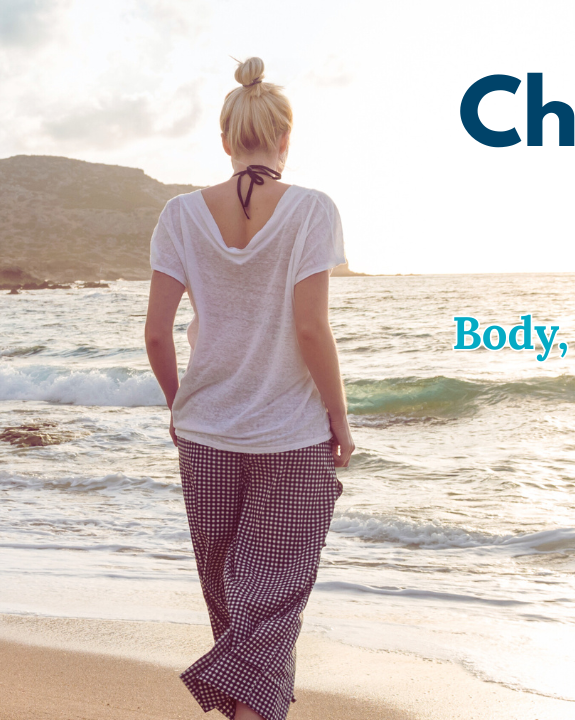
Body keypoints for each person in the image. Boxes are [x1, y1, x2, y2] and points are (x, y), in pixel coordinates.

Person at [144, 56, 355, 720]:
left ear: (227, 139)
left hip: (205, 431)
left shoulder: (179, 215)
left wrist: (180, 404)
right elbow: (312, 331)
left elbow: (155, 334)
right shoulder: (312, 211)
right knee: (272, 599)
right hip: (291, 435)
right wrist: (340, 419)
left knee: (233, 601)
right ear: (285, 139)